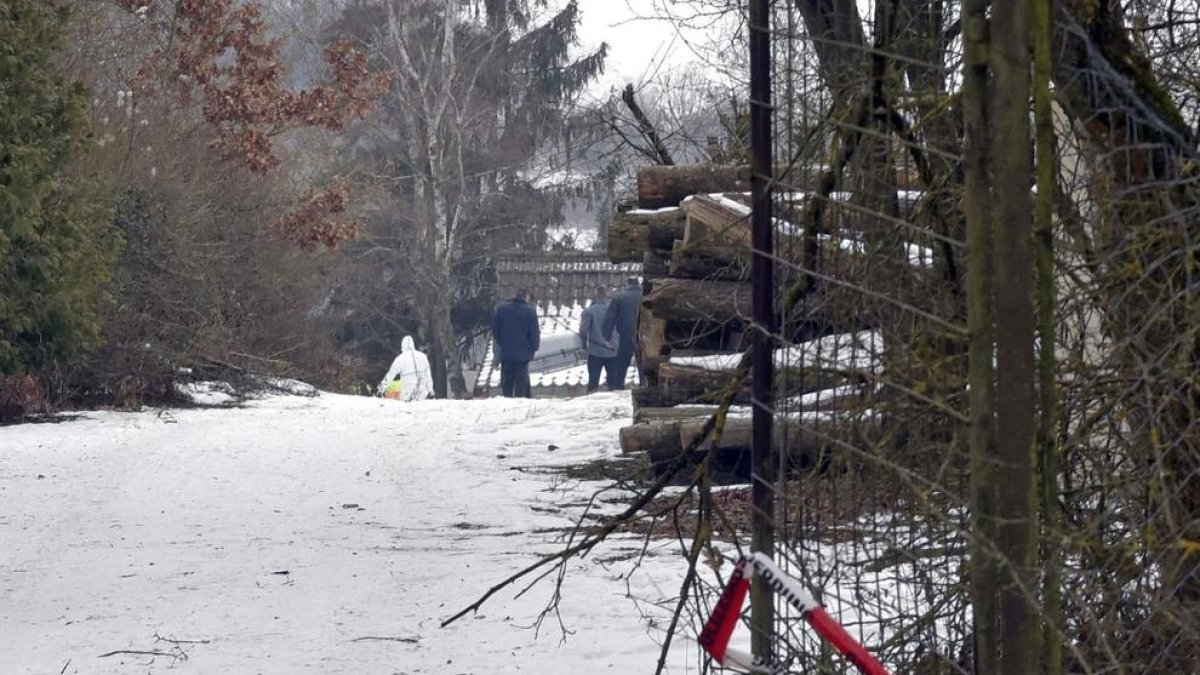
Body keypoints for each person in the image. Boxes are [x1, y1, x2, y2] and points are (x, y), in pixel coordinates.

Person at [491, 289, 540, 398]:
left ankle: (507, 398)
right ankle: (520, 400)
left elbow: (495, 331)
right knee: (521, 380)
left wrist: (502, 342)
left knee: (507, 380)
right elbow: (534, 333)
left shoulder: (502, 310)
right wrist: (534, 347)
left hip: (506, 352)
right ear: (526, 298)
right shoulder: (530, 312)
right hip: (523, 354)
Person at [602, 277, 643, 390]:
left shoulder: (619, 297)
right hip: (644, 337)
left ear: (627, 284)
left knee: (621, 364)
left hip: (626, 335)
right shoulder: (645, 297)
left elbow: (609, 318)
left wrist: (607, 337)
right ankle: (645, 385)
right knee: (643, 364)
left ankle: (618, 387)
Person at [579, 285, 618, 393]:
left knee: (593, 383)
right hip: (613, 351)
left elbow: (583, 331)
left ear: (596, 295)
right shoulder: (615, 310)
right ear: (607, 295)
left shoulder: (589, 311)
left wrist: (584, 346)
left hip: (595, 352)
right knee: (614, 385)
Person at [377, 335, 433, 401]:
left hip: (407, 393)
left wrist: (381, 389)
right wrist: (430, 390)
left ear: (402, 346)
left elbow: (390, 375)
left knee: (396, 390)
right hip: (423, 393)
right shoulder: (423, 357)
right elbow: (428, 376)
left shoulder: (400, 358)